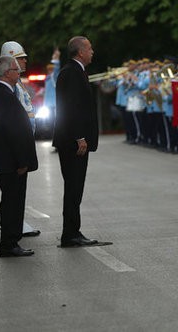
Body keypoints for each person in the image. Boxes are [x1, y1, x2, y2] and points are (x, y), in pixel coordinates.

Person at [0, 56, 38, 257]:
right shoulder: (2, 95)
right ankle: (8, 244)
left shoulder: (2, 93)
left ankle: (11, 242)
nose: (19, 73)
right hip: (11, 162)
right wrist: (22, 161)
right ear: (7, 73)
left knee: (13, 202)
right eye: (17, 70)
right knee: (12, 204)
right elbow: (12, 132)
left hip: (9, 160)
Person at [52, 36, 100, 247]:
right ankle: (70, 234)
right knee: (73, 187)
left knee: (75, 188)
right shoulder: (71, 73)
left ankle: (73, 231)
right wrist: (79, 136)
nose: (92, 52)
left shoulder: (76, 71)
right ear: (80, 52)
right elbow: (70, 108)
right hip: (73, 142)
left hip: (75, 140)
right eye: (89, 48)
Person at [0, 41, 41, 237]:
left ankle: (19, 222)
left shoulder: (19, 85)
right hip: (16, 147)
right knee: (14, 191)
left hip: (24, 143)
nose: (24, 61)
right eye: (20, 58)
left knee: (20, 190)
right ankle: (14, 228)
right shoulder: (11, 87)